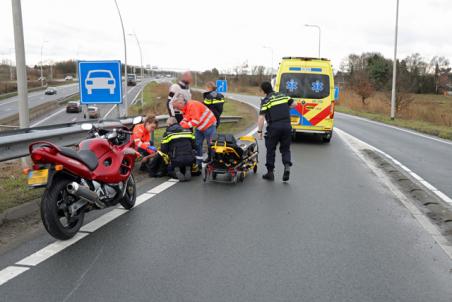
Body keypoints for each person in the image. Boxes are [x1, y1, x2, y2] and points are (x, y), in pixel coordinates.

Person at [257, 81, 295, 182]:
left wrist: (259, 132)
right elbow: (294, 104)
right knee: (285, 149)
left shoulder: (266, 100)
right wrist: (286, 108)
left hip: (274, 127)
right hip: (287, 126)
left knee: (270, 148)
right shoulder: (283, 95)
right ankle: (287, 166)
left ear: (264, 90)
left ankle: (270, 173)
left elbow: (261, 117)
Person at [172, 94, 217, 168]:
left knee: (211, 144)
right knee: (197, 144)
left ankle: (213, 161)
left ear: (180, 103)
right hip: (200, 127)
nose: (176, 109)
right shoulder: (184, 108)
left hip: (209, 124)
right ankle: (199, 162)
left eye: (176, 107)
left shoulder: (192, 105)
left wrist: (183, 126)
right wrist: (179, 125)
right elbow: (186, 118)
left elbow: (195, 121)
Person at [160, 117, 196, 181]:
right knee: (187, 153)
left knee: (169, 169)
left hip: (176, 159)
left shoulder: (167, 134)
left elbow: (163, 149)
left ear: (170, 124)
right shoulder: (188, 131)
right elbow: (194, 145)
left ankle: (177, 171)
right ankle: (188, 169)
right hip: (190, 158)